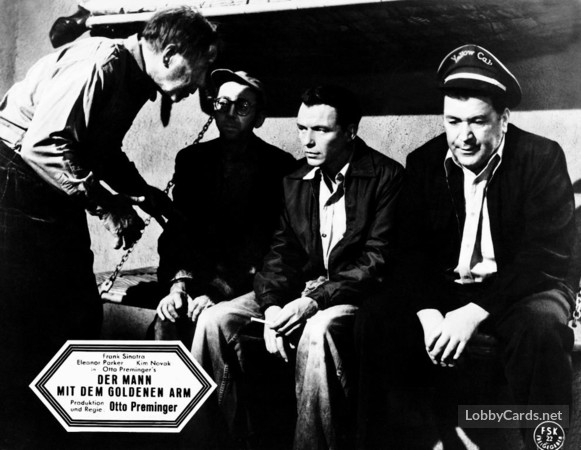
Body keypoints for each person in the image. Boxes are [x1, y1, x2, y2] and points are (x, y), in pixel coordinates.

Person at [0, 7, 218, 449]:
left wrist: (142, 193)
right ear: (170, 53)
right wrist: (109, 207)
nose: (198, 85)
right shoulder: (101, 63)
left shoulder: (134, 77)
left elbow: (99, 150)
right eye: (198, 70)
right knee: (32, 325)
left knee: (77, 313)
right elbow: (45, 146)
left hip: (42, 190)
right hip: (13, 186)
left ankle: (55, 433)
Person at [355, 44, 575, 449]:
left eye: (478, 122)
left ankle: (547, 444)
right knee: (375, 318)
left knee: (540, 329)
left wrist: (473, 313)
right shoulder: (424, 162)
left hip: (527, 289)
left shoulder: (541, 157)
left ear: (503, 119)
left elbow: (544, 258)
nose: (463, 136)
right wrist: (429, 314)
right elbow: (409, 253)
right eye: (453, 122)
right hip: (448, 293)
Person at [192, 85, 404, 450]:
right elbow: (280, 255)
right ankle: (216, 443)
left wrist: (313, 302)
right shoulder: (295, 180)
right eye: (302, 128)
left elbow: (376, 262)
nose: (307, 140)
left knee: (318, 330)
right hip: (301, 293)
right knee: (216, 321)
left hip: (354, 297)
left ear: (351, 131)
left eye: (320, 130)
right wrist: (273, 306)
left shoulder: (387, 177)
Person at [152, 69, 296, 344]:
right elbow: (178, 230)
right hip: (196, 277)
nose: (230, 114)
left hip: (247, 283)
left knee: (212, 325)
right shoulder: (192, 160)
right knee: (164, 324)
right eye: (222, 104)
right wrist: (177, 285)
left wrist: (217, 292)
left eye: (242, 106)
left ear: (259, 117)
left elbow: (265, 245)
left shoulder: (278, 166)